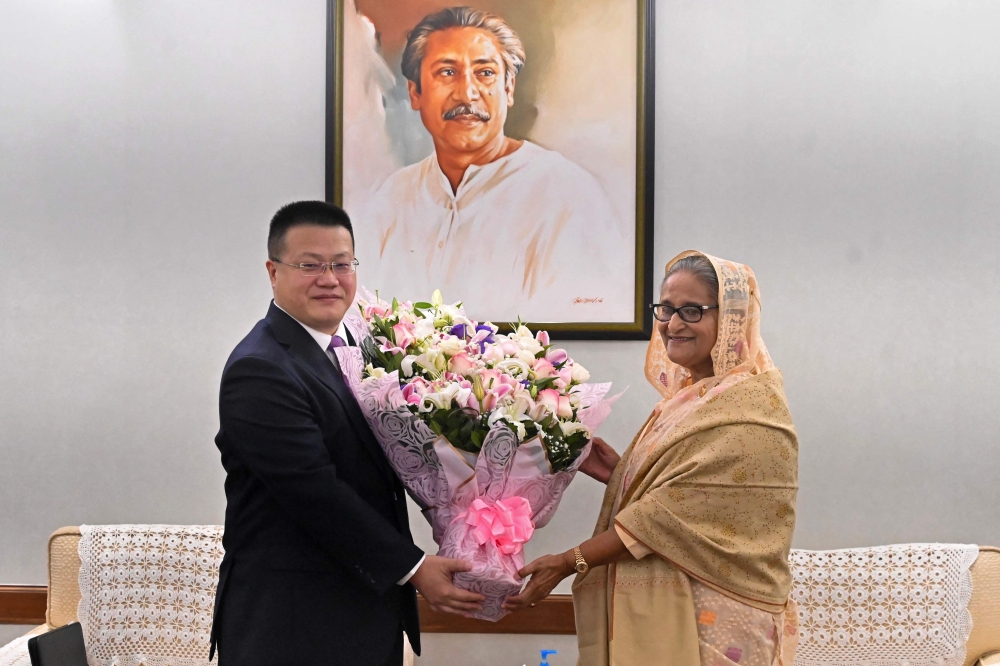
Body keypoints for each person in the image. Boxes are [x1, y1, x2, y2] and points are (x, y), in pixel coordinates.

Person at [209, 201, 483, 666]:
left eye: (341, 264)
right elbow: (314, 492)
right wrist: (414, 567)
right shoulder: (260, 368)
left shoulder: (357, 349)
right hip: (292, 623)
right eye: (309, 265)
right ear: (273, 272)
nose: (329, 279)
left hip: (361, 607)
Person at [504, 251, 800, 666]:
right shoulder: (688, 399)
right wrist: (620, 473)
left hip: (717, 615)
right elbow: (686, 498)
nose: (672, 325)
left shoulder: (751, 408)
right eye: (666, 308)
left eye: (692, 311)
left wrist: (570, 561)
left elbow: (665, 517)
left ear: (732, 318)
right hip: (671, 604)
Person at [359, 6, 631, 323]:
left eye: (485, 73)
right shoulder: (390, 200)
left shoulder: (568, 195)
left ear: (508, 88)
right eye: (447, 72)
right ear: (415, 93)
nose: (467, 93)